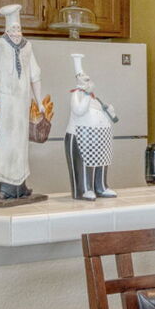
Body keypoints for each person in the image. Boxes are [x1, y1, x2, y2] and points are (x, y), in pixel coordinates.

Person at [0, 4, 43, 201]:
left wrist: (39, 101)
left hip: (23, 101)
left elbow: (35, 74)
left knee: (21, 142)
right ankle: (5, 187)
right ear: (6, 30)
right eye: (13, 29)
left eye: (18, 29)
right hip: (5, 99)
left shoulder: (28, 46)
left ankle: (20, 187)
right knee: (6, 140)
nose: (16, 33)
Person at [65, 53, 120, 200]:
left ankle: (101, 186)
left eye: (89, 79)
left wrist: (109, 111)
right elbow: (79, 110)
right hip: (81, 136)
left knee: (101, 162)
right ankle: (85, 189)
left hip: (99, 138)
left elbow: (101, 112)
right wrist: (88, 95)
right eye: (85, 80)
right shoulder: (77, 94)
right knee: (84, 163)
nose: (88, 82)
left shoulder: (93, 97)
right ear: (79, 82)